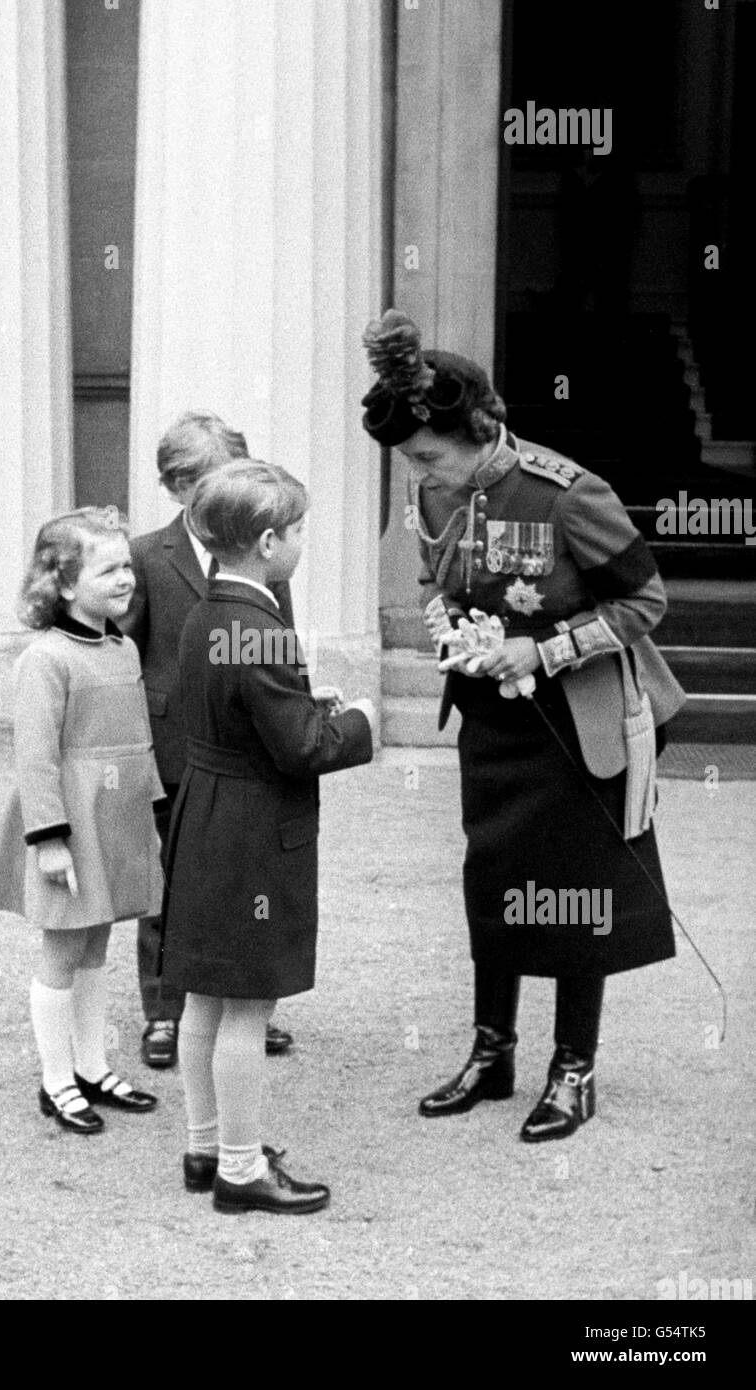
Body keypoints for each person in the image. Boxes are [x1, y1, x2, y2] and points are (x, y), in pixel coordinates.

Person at [360, 310, 685, 1143]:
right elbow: (433, 574)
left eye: (431, 456)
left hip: (576, 723)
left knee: (578, 893)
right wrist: (447, 630)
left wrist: (539, 651)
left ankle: (573, 1068)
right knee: (494, 882)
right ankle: (491, 1051)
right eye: (411, 463)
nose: (422, 474)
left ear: (478, 430)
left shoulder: (567, 494)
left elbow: (645, 603)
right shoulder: (432, 484)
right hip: (491, 724)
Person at [161, 460, 375, 1213]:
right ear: (268, 541)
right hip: (253, 829)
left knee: (204, 1001)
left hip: (205, 814)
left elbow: (238, 708)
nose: (303, 542)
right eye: (299, 530)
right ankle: (242, 1169)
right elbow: (302, 749)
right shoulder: (263, 629)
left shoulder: (206, 613)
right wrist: (359, 723)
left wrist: (305, 702)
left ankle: (204, 1144)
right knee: (248, 1004)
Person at [0, 507, 163, 1133]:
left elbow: (137, 740)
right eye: (107, 569)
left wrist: (150, 812)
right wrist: (50, 840)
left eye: (127, 566)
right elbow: (35, 757)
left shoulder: (124, 648)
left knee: (96, 944)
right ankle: (56, 1081)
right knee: (61, 947)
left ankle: (91, 1067)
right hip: (70, 823)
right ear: (61, 583)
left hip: (117, 818)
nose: (125, 579)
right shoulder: (46, 659)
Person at [121, 411, 295, 1068]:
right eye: (197, 482)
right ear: (174, 486)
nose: (211, 493)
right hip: (169, 746)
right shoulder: (143, 556)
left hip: (243, 746)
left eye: (223, 478)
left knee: (242, 881)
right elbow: (126, 662)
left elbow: (283, 646)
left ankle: (246, 1006)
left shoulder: (266, 553)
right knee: (168, 881)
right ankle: (165, 1010)